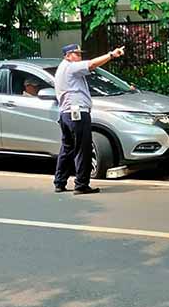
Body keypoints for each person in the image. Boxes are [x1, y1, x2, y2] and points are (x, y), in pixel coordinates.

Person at [53, 43, 126, 195]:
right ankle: (81, 184)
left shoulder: (62, 68)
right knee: (83, 148)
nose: (80, 56)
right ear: (67, 55)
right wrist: (111, 55)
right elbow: (92, 64)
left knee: (67, 148)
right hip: (77, 113)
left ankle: (60, 182)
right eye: (76, 54)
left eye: (80, 54)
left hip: (66, 114)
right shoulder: (70, 67)